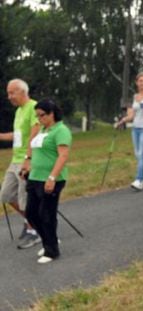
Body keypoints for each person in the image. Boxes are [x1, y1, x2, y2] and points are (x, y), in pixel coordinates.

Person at [23, 99, 72, 264]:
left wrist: (52, 177)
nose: (39, 119)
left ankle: (52, 251)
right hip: (35, 177)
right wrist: (27, 166)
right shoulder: (43, 130)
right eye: (37, 116)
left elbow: (63, 156)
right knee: (31, 212)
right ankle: (48, 241)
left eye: (42, 115)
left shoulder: (61, 130)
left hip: (51, 179)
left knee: (47, 214)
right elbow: (36, 152)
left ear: (52, 114)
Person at [0, 79, 41, 249]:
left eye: (12, 92)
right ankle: (31, 221)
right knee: (6, 195)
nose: (9, 96)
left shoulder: (34, 107)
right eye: (8, 93)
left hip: (26, 160)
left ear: (23, 92)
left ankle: (34, 231)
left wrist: (28, 159)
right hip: (14, 160)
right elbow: (18, 136)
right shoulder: (18, 111)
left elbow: (35, 133)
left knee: (25, 199)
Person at [117, 73, 143, 190]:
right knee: (138, 155)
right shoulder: (135, 97)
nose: (142, 83)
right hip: (135, 128)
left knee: (141, 154)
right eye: (140, 81)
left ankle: (139, 179)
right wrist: (122, 121)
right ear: (136, 83)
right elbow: (132, 115)